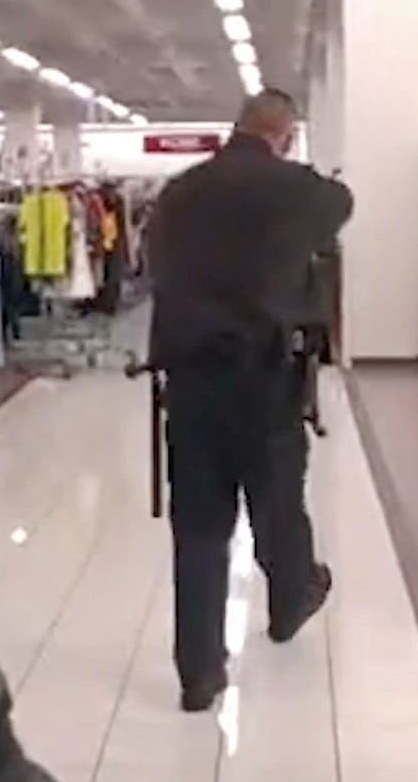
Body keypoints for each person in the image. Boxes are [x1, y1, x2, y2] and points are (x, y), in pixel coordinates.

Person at [146, 88, 354, 713]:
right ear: (284, 135)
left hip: (190, 379)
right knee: (277, 498)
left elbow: (156, 264)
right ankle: (290, 597)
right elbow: (340, 204)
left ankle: (199, 672)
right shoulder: (296, 189)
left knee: (201, 525)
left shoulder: (177, 194)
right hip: (266, 373)